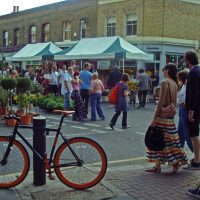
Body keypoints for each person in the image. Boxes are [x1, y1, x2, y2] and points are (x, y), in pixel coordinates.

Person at [146, 63, 187, 174]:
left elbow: (160, 103)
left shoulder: (164, 82)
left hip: (162, 116)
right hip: (170, 116)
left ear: (167, 70)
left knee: (159, 141)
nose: (163, 70)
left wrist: (154, 118)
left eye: (164, 69)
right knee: (169, 141)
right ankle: (159, 166)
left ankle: (174, 163)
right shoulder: (175, 83)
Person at [185, 51, 200, 198]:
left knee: (194, 135)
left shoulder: (194, 73)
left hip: (194, 110)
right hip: (196, 109)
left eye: (184, 59)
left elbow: (194, 93)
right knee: (194, 135)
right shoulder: (197, 71)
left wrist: (191, 111)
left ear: (188, 60)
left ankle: (197, 160)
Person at [177, 70, 193, 152]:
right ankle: (179, 153)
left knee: (187, 133)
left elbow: (189, 99)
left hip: (185, 109)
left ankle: (197, 154)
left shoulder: (188, 86)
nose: (178, 80)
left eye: (179, 78)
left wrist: (184, 104)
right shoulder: (183, 85)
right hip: (181, 109)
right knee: (180, 132)